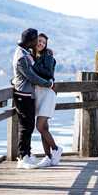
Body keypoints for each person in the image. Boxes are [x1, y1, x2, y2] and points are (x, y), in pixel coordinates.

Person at [12, 28, 53, 169]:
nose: (37, 42)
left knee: (29, 126)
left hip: (28, 95)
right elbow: (31, 76)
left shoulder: (25, 53)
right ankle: (22, 157)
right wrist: (48, 83)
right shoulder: (21, 57)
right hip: (23, 96)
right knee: (25, 127)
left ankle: (27, 154)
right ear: (30, 41)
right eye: (36, 39)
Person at [32, 33, 63, 167]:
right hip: (38, 94)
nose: (41, 44)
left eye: (44, 43)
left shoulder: (48, 56)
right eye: (39, 41)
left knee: (39, 126)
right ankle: (48, 157)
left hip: (48, 94)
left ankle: (56, 149)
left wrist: (32, 66)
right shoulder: (32, 56)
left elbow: (48, 73)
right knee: (44, 127)